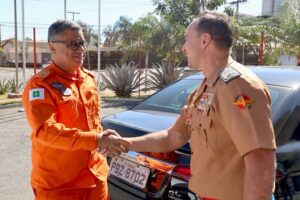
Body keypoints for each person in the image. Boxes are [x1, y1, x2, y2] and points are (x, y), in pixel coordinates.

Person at [124, 12, 277, 200]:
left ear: (205, 40)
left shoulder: (238, 87)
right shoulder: (204, 89)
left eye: (187, 39)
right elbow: (173, 136)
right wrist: (127, 143)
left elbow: (261, 162)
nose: (183, 47)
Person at [22, 19, 130, 200]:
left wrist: (103, 139)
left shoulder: (89, 79)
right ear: (52, 47)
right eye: (73, 44)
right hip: (60, 187)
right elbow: (46, 131)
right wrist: (96, 140)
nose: (80, 49)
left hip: (95, 178)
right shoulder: (39, 85)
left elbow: (92, 122)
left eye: (82, 43)